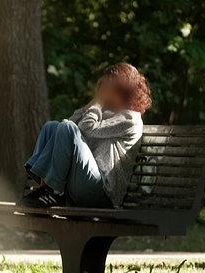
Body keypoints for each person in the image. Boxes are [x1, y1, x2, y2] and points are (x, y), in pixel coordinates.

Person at [20, 62, 152, 209]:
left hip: (102, 194)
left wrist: (98, 101)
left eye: (110, 87)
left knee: (66, 127)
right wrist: (94, 102)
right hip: (83, 184)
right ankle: (46, 188)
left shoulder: (131, 119)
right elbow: (67, 128)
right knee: (52, 127)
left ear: (124, 89)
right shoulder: (106, 111)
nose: (105, 91)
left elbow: (84, 127)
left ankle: (54, 193)